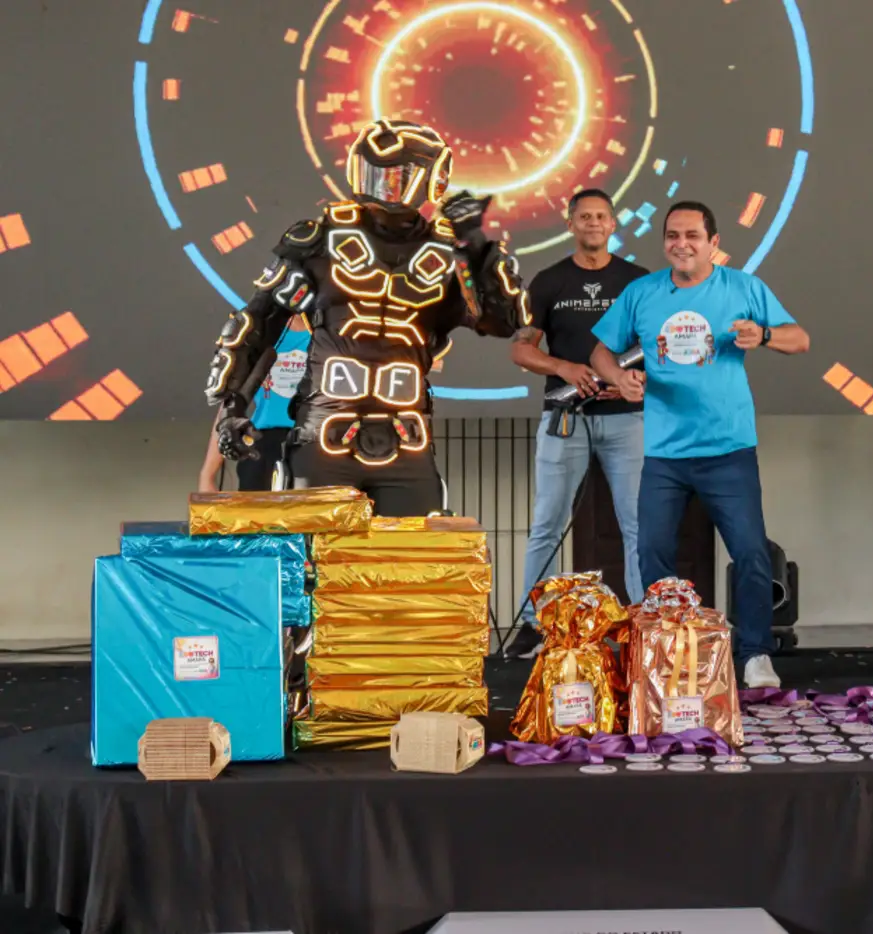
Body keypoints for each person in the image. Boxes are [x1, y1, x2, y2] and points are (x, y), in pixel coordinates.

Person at [203, 118, 528, 516]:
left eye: (396, 177)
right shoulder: (318, 241)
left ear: (432, 179)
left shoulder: (449, 253)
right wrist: (232, 410)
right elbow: (257, 324)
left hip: (406, 437)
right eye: (376, 174)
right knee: (320, 551)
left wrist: (475, 246)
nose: (384, 187)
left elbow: (502, 321)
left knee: (409, 551)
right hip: (324, 433)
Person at [588, 201, 810, 689]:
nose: (681, 244)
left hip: (729, 448)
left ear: (714, 243)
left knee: (750, 552)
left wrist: (764, 335)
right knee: (652, 552)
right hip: (665, 452)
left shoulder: (743, 287)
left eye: (692, 235)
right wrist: (619, 379)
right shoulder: (642, 293)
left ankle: (755, 654)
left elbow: (800, 339)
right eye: (673, 235)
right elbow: (601, 352)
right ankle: (667, 650)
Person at [503, 189, 649, 659]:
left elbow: (657, 345)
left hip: (627, 420)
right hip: (564, 417)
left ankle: (644, 622)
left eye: (601, 216)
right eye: (584, 216)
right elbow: (520, 348)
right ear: (571, 224)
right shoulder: (550, 281)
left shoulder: (637, 280)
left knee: (638, 524)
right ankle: (534, 624)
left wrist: (631, 382)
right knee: (547, 523)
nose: (593, 223)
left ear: (613, 224)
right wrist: (563, 368)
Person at [197, 316, 310, 492]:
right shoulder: (257, 332)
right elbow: (230, 407)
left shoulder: (329, 329)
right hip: (262, 443)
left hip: (313, 442)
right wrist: (208, 475)